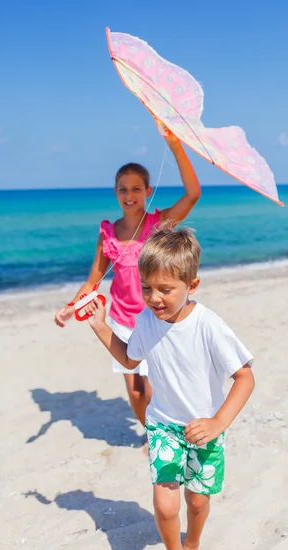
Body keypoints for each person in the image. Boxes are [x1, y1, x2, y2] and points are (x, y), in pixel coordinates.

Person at [85, 227, 255, 550]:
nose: (154, 298)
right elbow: (131, 358)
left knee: (197, 500)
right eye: (147, 288)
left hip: (205, 429)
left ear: (191, 285)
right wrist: (101, 326)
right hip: (163, 424)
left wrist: (217, 422)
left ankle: (192, 543)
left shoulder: (208, 325)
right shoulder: (146, 321)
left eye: (165, 290)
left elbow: (244, 377)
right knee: (164, 504)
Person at [54, 126, 201, 427]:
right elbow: (93, 279)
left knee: (151, 388)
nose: (129, 195)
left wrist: (174, 145)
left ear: (148, 191)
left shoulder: (159, 224)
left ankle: (166, 431)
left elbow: (193, 194)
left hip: (155, 318)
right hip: (121, 321)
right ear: (115, 192)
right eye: (123, 188)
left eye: (136, 189)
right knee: (135, 393)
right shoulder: (108, 231)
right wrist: (72, 307)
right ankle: (151, 433)